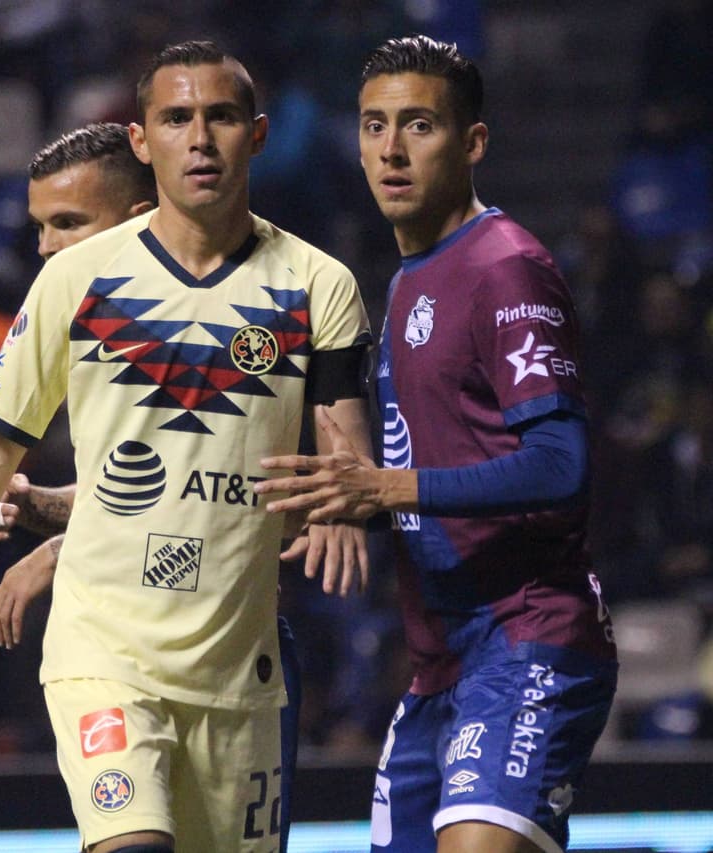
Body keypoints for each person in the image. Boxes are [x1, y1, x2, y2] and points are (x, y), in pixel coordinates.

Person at [0, 42, 372, 853]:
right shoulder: (78, 278)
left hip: (237, 671)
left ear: (255, 134)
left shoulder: (318, 283)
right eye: (176, 118)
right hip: (104, 652)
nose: (200, 138)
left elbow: (340, 431)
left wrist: (341, 502)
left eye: (219, 117)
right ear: (142, 141)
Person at [255, 35, 618, 853]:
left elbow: (563, 465)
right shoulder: (409, 279)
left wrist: (386, 488)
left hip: (530, 638)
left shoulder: (505, 267)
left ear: (473, 142)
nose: (390, 149)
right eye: (373, 126)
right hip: (439, 668)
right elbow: (443, 469)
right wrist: (332, 508)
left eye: (418, 126)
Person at [0, 120, 307, 850]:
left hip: (233, 654)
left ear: (139, 219)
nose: (46, 248)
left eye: (67, 223)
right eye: (39, 228)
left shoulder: (265, 309)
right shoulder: (81, 317)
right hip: (116, 651)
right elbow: (140, 491)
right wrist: (46, 511)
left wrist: (56, 548)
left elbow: (253, 503)